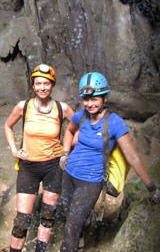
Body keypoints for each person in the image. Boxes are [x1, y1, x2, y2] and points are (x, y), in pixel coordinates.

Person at [59, 72, 160, 252]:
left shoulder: (114, 123)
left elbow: (132, 156)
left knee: (70, 229)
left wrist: (151, 186)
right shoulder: (80, 116)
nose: (90, 104)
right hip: (69, 173)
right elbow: (68, 131)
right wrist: (65, 154)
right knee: (69, 217)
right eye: (86, 99)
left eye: (94, 99)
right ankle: (81, 239)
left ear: (105, 97)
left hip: (91, 181)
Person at [4, 64, 74, 252]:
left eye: (46, 83)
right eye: (38, 83)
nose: (42, 87)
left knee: (48, 214)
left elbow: (78, 130)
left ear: (52, 85)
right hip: (29, 167)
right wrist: (14, 150)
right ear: (33, 86)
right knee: (22, 219)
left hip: (53, 166)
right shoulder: (23, 107)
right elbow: (7, 126)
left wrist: (66, 150)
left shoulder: (62, 108)